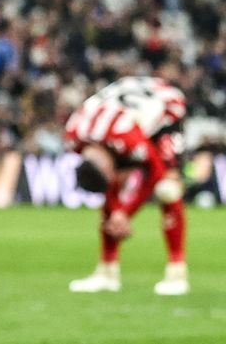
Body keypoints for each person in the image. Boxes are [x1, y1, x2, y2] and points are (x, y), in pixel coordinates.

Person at [65, 74, 189, 296]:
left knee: (167, 189)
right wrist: (117, 212)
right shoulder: (73, 136)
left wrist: (124, 212)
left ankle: (176, 273)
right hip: (126, 112)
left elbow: (155, 170)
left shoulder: (124, 135)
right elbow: (109, 180)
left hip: (166, 108)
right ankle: (107, 272)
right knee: (111, 194)